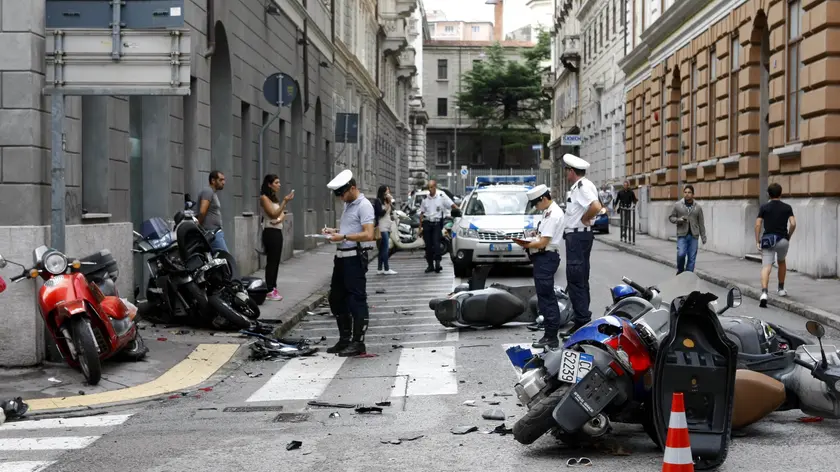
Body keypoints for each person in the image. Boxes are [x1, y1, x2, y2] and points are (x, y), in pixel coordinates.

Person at [322, 170, 376, 357]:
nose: (341, 198)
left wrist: (343, 236)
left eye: (343, 194)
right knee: (336, 298)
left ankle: (358, 342)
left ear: (353, 188)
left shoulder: (364, 206)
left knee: (356, 300)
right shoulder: (349, 204)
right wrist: (335, 231)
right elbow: (350, 228)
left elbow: (368, 234)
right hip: (342, 257)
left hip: (354, 257)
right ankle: (344, 339)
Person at [514, 184, 565, 349]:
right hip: (544, 257)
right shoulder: (548, 212)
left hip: (546, 257)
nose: (536, 207)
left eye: (536, 203)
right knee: (545, 298)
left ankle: (551, 337)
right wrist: (532, 238)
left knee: (547, 299)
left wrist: (526, 244)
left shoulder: (553, 214)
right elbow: (542, 236)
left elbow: (544, 242)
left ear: (543, 199)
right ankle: (549, 335)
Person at [561, 154, 602, 333]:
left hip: (578, 237)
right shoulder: (583, 185)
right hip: (579, 236)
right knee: (581, 278)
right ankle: (582, 316)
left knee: (576, 278)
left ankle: (582, 321)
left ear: (572, 171)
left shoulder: (583, 186)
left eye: (566, 170)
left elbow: (596, 206)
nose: (565, 173)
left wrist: (586, 218)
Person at [755, 183, 796, 307]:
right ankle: (781, 289)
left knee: (766, 267)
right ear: (781, 193)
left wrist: (757, 241)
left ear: (768, 194)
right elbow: (793, 223)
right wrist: (789, 235)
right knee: (782, 262)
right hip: (783, 240)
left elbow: (758, 225)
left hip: (768, 240)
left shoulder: (764, 207)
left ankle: (764, 293)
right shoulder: (787, 207)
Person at [259, 174, 295, 302]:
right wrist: (285, 201)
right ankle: (269, 289)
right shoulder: (264, 198)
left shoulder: (274, 199)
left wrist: (279, 219)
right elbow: (273, 214)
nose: (279, 185)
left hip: (277, 230)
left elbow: (281, 214)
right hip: (270, 232)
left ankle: (273, 287)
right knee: (272, 261)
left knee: (276, 260)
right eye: (276, 182)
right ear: (269, 184)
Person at [418, 180, 459, 273]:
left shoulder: (441, 197)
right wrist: (420, 227)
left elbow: (452, 205)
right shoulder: (425, 199)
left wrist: (460, 212)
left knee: (436, 244)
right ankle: (430, 265)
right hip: (427, 223)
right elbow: (421, 213)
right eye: (429, 187)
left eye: (431, 187)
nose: (430, 189)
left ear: (435, 187)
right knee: (428, 246)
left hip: (437, 224)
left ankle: (437, 264)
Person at [668, 185, 707, 274]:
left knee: (692, 258)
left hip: (694, 236)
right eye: (685, 192)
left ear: (693, 194)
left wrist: (703, 236)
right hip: (682, 234)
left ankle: (688, 276)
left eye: (689, 192)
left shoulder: (698, 207)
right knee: (681, 254)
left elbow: (701, 223)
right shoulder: (678, 205)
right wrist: (679, 220)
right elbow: (671, 217)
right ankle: (680, 271)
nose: (687, 194)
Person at [197, 170, 228, 253]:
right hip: (212, 233)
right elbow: (202, 212)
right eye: (221, 180)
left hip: (214, 233)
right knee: (225, 258)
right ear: (213, 180)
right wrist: (199, 227)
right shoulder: (208, 191)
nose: (223, 182)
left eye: (224, 180)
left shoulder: (212, 193)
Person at [374, 185, 397, 275]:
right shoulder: (378, 201)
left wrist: (390, 201)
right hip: (382, 227)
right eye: (387, 191)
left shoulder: (386, 200)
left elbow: (393, 210)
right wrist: (387, 207)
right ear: (383, 192)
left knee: (382, 249)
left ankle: (380, 268)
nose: (388, 192)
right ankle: (386, 268)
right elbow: (380, 213)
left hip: (388, 226)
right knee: (385, 248)